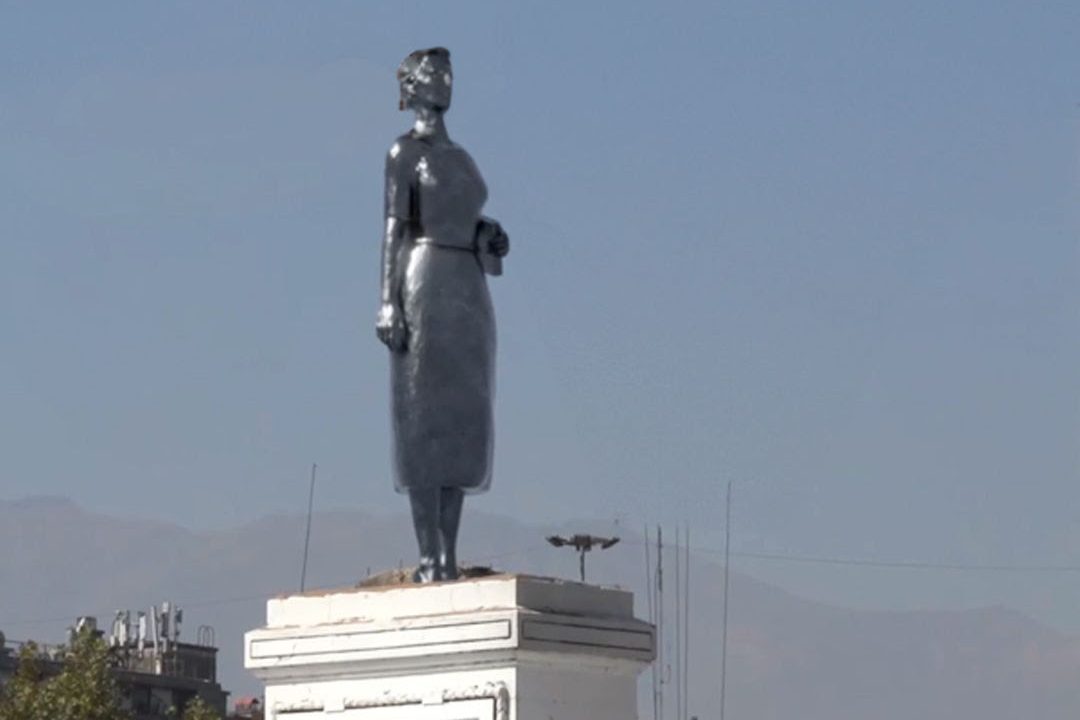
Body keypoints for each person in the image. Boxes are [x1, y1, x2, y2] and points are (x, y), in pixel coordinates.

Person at [376, 47, 510, 582]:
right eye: (434, 73)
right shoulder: (404, 152)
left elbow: (467, 217)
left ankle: (448, 553)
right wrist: (388, 300)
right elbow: (393, 228)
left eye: (449, 73)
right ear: (410, 86)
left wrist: (488, 234)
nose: (445, 81)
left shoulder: (462, 156)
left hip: (467, 287)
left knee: (462, 418)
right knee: (423, 416)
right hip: (423, 281)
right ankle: (429, 555)